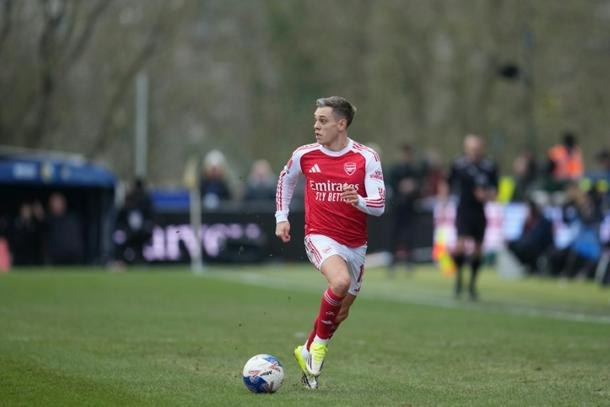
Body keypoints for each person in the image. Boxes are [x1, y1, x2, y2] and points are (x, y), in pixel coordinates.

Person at [275, 96, 385, 389]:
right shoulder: (305, 155)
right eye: (315, 120)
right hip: (319, 235)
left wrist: (359, 200)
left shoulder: (366, 157)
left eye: (322, 121)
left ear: (341, 124)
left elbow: (379, 205)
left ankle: (307, 351)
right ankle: (318, 352)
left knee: (341, 311)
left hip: (356, 244)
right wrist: (281, 217)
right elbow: (286, 179)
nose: (316, 126)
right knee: (339, 282)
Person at [442, 135, 498, 300]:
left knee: (478, 249)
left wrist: (486, 195)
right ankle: (459, 278)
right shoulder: (459, 164)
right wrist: (444, 202)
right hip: (464, 210)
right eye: (472, 149)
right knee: (460, 245)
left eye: (478, 149)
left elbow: (495, 190)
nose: (475, 152)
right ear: (467, 149)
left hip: (480, 211)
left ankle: (472, 285)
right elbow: (447, 182)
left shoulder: (489, 167)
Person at [388, 144, 421, 273]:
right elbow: (390, 187)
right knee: (394, 235)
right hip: (397, 208)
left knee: (410, 235)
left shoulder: (415, 171)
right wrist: (401, 187)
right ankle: (392, 261)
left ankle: (409, 262)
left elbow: (420, 188)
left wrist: (413, 187)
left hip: (410, 208)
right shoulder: (395, 170)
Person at [44, 192, 84, 265]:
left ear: (64, 203)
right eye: (54, 203)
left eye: (58, 202)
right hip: (54, 257)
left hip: (72, 256)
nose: (56, 205)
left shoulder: (72, 219)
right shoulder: (47, 220)